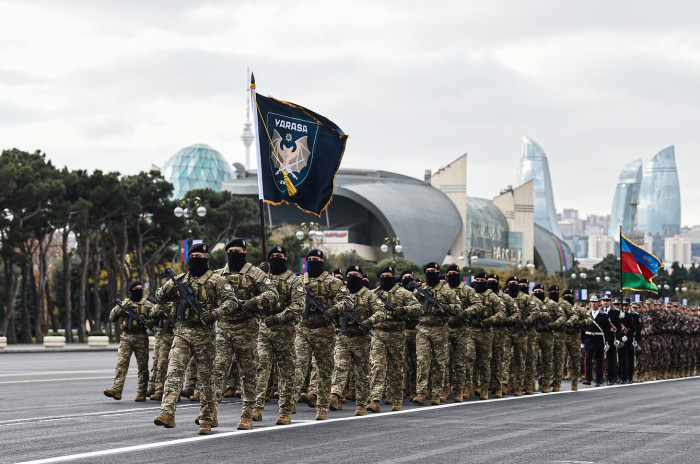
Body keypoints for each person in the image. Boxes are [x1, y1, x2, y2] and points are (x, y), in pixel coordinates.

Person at [153, 243, 239, 435]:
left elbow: (232, 301)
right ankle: (167, 412)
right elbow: (159, 297)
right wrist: (169, 292)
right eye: (194, 256)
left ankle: (207, 419)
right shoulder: (179, 279)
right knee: (174, 372)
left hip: (205, 335)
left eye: (200, 256)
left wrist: (216, 313)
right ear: (189, 258)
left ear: (206, 258)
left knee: (206, 379)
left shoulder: (216, 280)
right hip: (181, 332)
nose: (196, 259)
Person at [212, 238, 279, 431]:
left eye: (238, 250)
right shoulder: (218, 275)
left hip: (247, 328)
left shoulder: (255, 273)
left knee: (248, 373)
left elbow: (272, 293)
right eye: (231, 250)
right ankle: (210, 411)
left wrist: (255, 301)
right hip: (223, 328)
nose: (234, 253)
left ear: (245, 252)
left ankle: (247, 414)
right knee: (217, 369)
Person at [293, 249, 354, 420]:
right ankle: (289, 405)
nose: (313, 262)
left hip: (324, 331)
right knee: (298, 365)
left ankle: (322, 407)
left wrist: (334, 309)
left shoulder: (332, 282)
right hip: (303, 329)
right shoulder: (299, 280)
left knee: (324, 370)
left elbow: (348, 300)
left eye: (316, 259)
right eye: (310, 259)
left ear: (322, 261)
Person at [253, 246, 305, 425]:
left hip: (285, 330)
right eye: (273, 256)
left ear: (286, 259)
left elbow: (299, 305)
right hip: (263, 329)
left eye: (280, 256)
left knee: (286, 372)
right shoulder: (262, 277)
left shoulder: (293, 280)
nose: (277, 259)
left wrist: (278, 318)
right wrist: (258, 274)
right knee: (261, 366)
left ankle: (285, 411)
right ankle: (256, 407)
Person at [330, 265, 386, 415]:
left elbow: (381, 312)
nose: (352, 277)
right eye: (350, 274)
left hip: (362, 339)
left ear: (362, 277)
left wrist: (370, 321)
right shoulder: (341, 293)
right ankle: (334, 395)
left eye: (356, 274)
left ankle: (361, 404)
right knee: (340, 366)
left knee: (362, 373)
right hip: (343, 336)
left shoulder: (369, 295)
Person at [370, 265, 421, 412]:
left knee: (396, 368)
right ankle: (375, 400)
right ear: (380, 278)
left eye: (389, 276)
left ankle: (397, 399)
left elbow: (418, 308)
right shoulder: (374, 294)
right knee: (377, 366)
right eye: (384, 276)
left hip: (397, 335)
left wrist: (404, 309)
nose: (387, 278)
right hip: (378, 333)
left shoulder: (403, 293)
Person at [412, 262, 461, 405]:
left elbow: (458, 307)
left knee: (439, 363)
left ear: (438, 272)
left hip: (440, 329)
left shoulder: (446, 290)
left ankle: (436, 394)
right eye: (428, 271)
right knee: (422, 361)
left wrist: (445, 307)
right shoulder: (421, 290)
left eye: (433, 270)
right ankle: (421, 393)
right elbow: (411, 306)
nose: (430, 273)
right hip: (423, 328)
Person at [104, 280, 154, 402]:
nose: (139, 291)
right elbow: (112, 318)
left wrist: (148, 323)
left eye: (141, 289)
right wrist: (121, 310)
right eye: (136, 289)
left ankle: (142, 392)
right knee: (122, 364)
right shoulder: (124, 303)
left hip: (141, 337)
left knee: (142, 367)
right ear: (131, 290)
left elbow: (157, 318)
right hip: (126, 337)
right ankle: (117, 389)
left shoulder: (147, 305)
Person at [465, 272, 505, 400]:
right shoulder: (470, 294)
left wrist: (490, 320)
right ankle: (469, 386)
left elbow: (501, 313)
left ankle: (484, 389)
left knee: (484, 362)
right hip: (471, 330)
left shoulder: (492, 297)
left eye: (482, 280)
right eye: (478, 280)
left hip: (486, 332)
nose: (480, 282)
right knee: (469, 357)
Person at [444, 264, 481, 402]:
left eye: (455, 273)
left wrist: (465, 313)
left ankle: (460, 390)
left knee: (461, 362)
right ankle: (445, 390)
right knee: (445, 361)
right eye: (450, 273)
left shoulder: (467, 290)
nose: (452, 275)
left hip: (462, 330)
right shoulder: (443, 290)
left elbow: (478, 305)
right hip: (445, 330)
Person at [581, 295, 611, 387]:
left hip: (599, 340)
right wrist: (582, 342)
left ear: (599, 303)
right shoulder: (586, 315)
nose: (593, 304)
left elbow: (607, 330)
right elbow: (583, 329)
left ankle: (599, 379)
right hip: (588, 339)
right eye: (592, 302)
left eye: (595, 302)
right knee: (588, 360)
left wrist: (607, 342)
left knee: (599, 361)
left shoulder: (604, 316)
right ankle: (588, 378)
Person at [149, 302, 176, 401]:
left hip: (178, 335)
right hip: (164, 336)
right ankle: (159, 390)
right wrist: (161, 312)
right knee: (161, 363)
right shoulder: (163, 303)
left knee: (176, 365)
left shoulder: (179, 302)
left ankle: (174, 391)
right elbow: (151, 313)